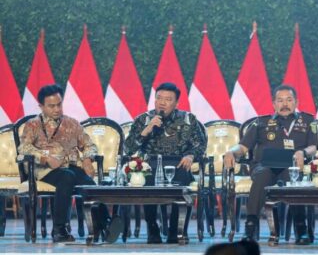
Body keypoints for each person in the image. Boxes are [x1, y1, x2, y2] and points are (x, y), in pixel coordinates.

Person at [18, 84, 123, 243]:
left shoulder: (72, 123)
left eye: (59, 104)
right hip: (44, 169)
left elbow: (89, 145)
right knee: (67, 177)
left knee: (89, 183)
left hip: (71, 166)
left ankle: (105, 224)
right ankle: (60, 230)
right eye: (51, 106)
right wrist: (45, 158)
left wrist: (88, 159)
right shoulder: (33, 124)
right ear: (41, 106)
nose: (56, 109)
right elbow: (24, 148)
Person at [223, 85, 318, 245]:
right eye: (280, 100)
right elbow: (243, 146)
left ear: (296, 102)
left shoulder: (308, 121)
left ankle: (301, 229)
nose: (285, 104)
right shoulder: (261, 122)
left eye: (289, 100)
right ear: (274, 104)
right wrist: (230, 152)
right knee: (263, 174)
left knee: (293, 177)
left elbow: (313, 146)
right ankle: (250, 228)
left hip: (293, 165)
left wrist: (303, 152)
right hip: (264, 165)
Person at [125, 82, 207, 244]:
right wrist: (146, 130)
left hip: (178, 163)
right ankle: (152, 228)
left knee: (183, 186)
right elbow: (128, 148)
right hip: (150, 163)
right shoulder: (143, 120)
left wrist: (191, 155)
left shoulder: (188, 119)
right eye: (159, 98)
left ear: (177, 103)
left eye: (168, 99)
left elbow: (200, 145)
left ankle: (177, 228)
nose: (162, 102)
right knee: (145, 181)